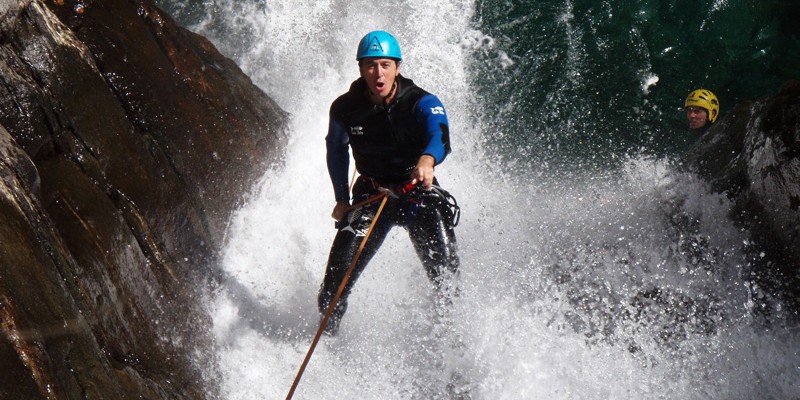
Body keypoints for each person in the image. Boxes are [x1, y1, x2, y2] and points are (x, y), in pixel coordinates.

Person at [318, 30, 460, 335]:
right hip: (372, 198)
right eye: (370, 65)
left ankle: (454, 360)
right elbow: (335, 149)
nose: (377, 73)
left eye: (384, 64)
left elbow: (440, 136)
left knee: (449, 286)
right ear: (360, 69)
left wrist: (427, 160)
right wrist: (342, 199)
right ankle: (326, 350)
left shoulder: (421, 102)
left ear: (397, 67)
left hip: (417, 197)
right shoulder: (345, 108)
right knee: (331, 292)